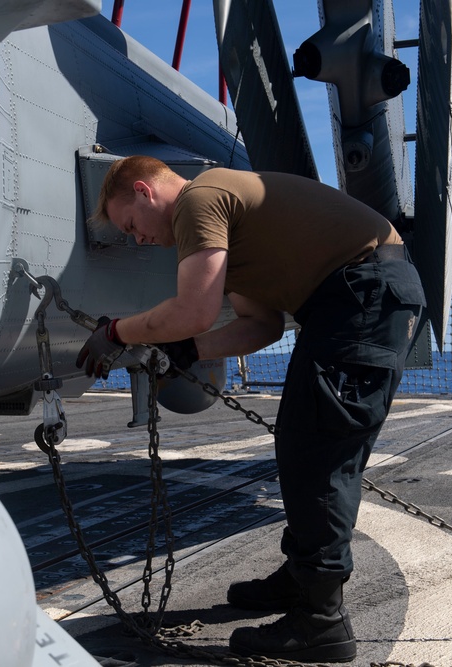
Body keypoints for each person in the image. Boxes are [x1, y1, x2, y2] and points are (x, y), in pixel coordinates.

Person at [76, 155, 425, 663]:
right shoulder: (229, 231)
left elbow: (192, 310)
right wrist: (191, 351)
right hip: (352, 299)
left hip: (362, 295)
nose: (137, 239)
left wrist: (116, 331)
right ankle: (301, 583)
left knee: (318, 452)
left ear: (143, 191)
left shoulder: (199, 201)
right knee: (301, 441)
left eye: (131, 225)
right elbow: (261, 325)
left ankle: (322, 621)